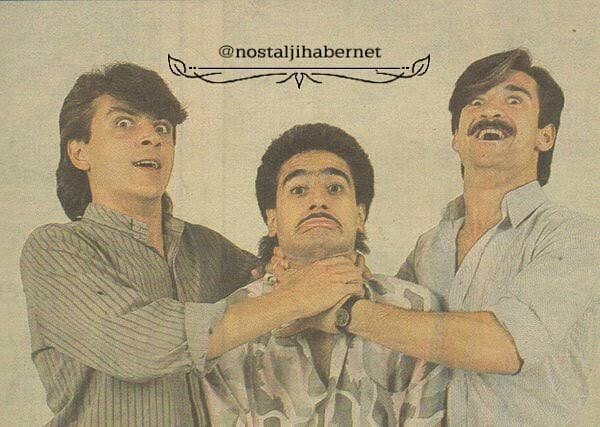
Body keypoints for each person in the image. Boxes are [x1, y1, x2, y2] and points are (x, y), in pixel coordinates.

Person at [269, 49, 600, 425]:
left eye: (513, 100)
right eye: (476, 102)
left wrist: (344, 312)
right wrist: (314, 273)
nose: (490, 111)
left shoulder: (574, 236)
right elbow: (386, 330)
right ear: (456, 137)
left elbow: (505, 345)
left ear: (545, 135)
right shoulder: (430, 246)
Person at [20, 64, 363, 426]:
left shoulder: (205, 246)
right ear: (80, 153)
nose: (151, 138)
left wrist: (336, 266)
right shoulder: (55, 249)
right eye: (124, 123)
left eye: (162, 128)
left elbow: (277, 276)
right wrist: (296, 297)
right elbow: (139, 344)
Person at [201, 123, 448, 426]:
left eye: (334, 188)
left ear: (360, 216)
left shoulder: (414, 307)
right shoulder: (233, 321)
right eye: (298, 190)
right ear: (272, 220)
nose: (318, 201)